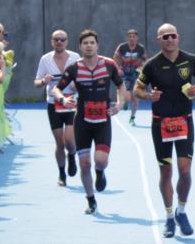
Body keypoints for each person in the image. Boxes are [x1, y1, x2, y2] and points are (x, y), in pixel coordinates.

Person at [134, 23, 195, 238]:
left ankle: (181, 211)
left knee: (185, 171)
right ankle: (168, 217)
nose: (169, 39)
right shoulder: (151, 65)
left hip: (185, 121)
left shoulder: (191, 60)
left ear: (179, 37)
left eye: (173, 35)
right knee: (166, 172)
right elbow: (136, 89)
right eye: (165, 37)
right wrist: (148, 96)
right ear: (159, 40)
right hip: (161, 124)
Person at [52, 29, 126, 214]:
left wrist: (120, 103)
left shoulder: (109, 65)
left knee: (100, 160)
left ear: (97, 45)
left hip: (103, 120)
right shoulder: (74, 68)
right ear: (80, 46)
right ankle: (91, 200)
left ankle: (100, 173)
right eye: (85, 43)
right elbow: (56, 89)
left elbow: (121, 86)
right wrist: (62, 99)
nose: (89, 45)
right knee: (85, 164)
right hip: (82, 122)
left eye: (92, 42)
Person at [35, 30, 79, 186]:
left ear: (67, 42)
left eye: (62, 39)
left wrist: (76, 85)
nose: (59, 42)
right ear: (52, 42)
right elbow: (37, 82)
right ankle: (62, 174)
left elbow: (83, 78)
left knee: (69, 141)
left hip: (72, 102)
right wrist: (44, 81)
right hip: (54, 103)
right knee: (59, 143)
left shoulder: (75, 58)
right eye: (56, 39)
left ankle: (72, 155)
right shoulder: (45, 59)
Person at [113, 29, 147, 124]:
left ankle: (132, 117)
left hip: (135, 75)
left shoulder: (141, 48)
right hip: (124, 74)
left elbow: (144, 61)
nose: (132, 38)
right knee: (128, 97)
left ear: (137, 38)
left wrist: (140, 68)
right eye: (130, 36)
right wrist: (118, 69)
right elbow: (114, 59)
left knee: (135, 97)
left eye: (134, 36)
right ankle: (125, 102)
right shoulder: (122, 47)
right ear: (127, 38)